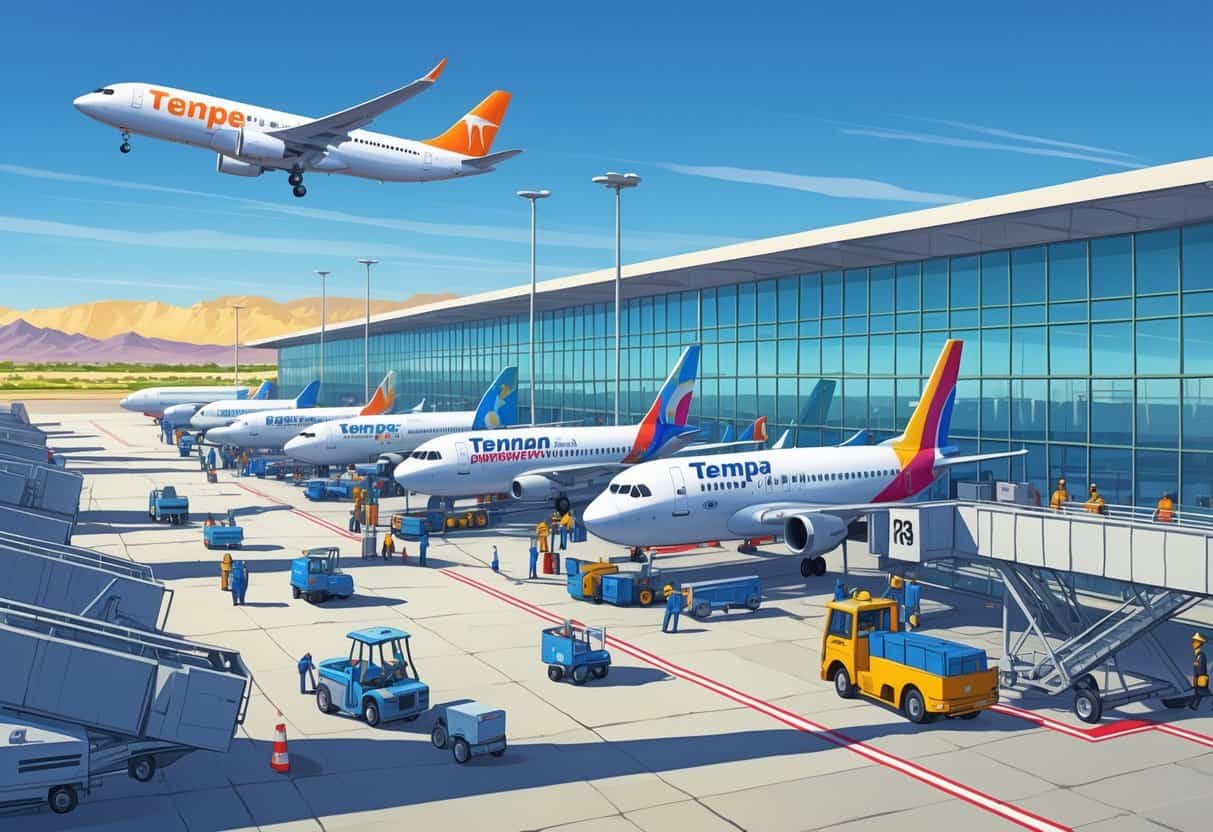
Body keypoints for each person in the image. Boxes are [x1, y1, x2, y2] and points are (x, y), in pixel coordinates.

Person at [1193, 632, 1209, 711]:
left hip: (1200, 678)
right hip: (1198, 679)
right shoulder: (1197, 655)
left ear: (1200, 643)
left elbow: (1200, 669)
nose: (1193, 643)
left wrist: (1199, 678)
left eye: (1195, 641)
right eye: (1193, 641)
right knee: (1199, 693)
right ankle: (1195, 705)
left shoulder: (1201, 655)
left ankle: (1195, 705)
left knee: (1201, 693)